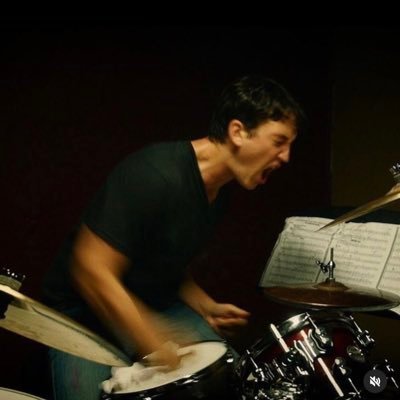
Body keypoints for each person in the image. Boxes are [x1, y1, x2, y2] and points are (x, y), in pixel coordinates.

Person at [42, 75, 304, 400]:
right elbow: (89, 268)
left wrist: (205, 306)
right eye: (279, 141)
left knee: (235, 381)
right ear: (238, 131)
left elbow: (161, 259)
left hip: (153, 301)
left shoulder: (219, 190)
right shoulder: (155, 174)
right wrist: (149, 338)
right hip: (82, 317)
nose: (286, 157)